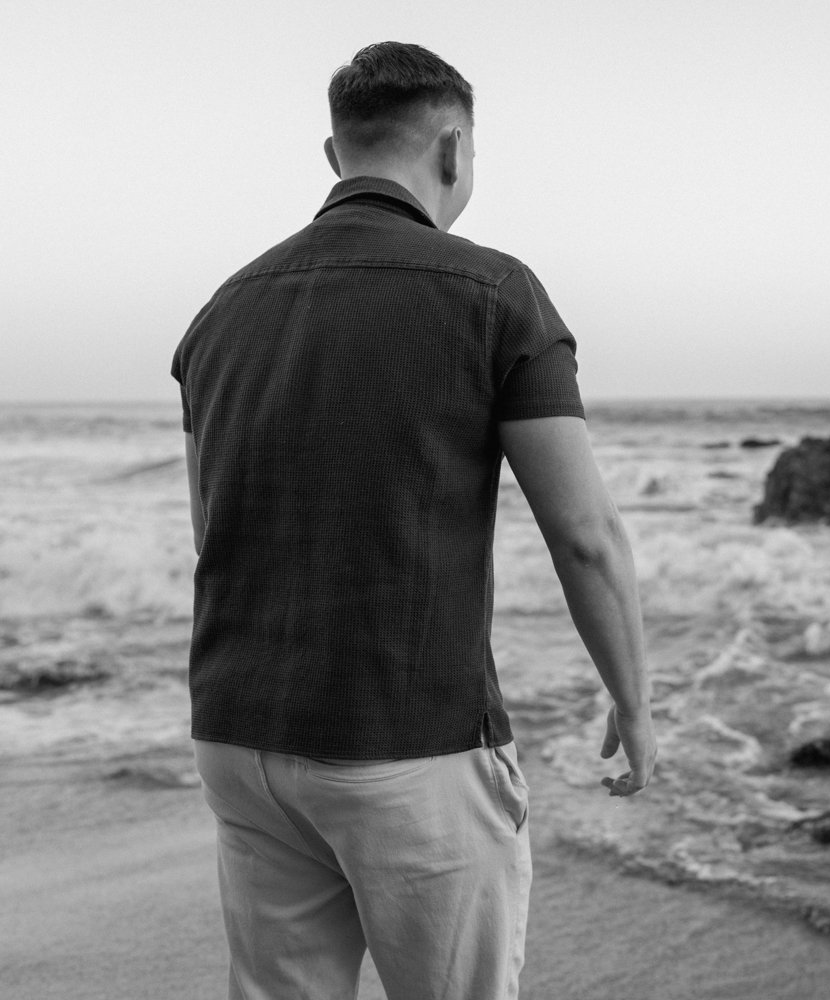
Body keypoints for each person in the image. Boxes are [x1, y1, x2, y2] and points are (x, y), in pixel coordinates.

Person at [171, 42, 655, 1000]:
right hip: (412, 742)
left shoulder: (219, 314)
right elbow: (586, 536)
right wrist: (633, 698)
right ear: (452, 146)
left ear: (332, 154)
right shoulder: (492, 292)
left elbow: (211, 529)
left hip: (238, 735)